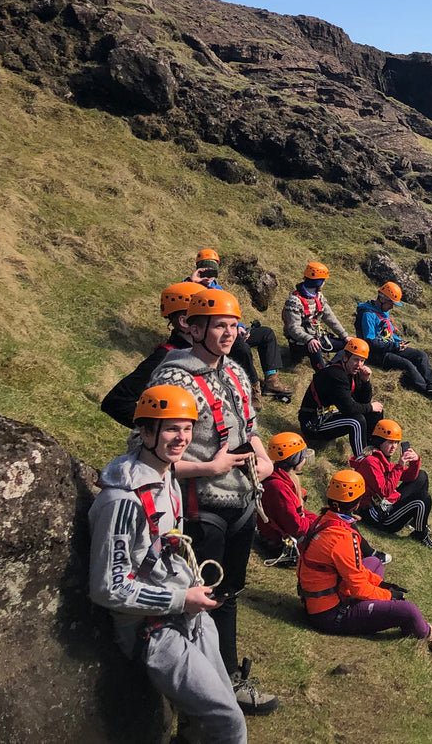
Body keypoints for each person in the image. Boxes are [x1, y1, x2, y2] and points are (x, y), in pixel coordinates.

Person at [88, 384, 247, 744]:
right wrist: (180, 601)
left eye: (187, 428)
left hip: (183, 612)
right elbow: (107, 587)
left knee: (223, 710)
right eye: (171, 429)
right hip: (152, 629)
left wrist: (192, 593)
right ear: (145, 432)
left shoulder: (167, 480)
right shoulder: (123, 501)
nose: (182, 438)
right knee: (229, 722)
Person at [149, 288, 280, 715]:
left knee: (228, 593)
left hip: (241, 500)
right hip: (197, 507)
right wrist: (209, 467)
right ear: (195, 327)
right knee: (197, 600)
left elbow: (249, 425)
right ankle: (200, 691)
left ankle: (224, 679)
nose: (228, 334)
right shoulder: (173, 380)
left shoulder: (237, 373)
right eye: (219, 325)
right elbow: (147, 454)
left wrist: (262, 457)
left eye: (232, 325)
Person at [296, 469, 432, 658]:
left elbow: (356, 570)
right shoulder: (341, 538)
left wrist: (380, 584)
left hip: (322, 598)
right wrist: (388, 595)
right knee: (407, 611)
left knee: (374, 563)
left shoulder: (324, 520)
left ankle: (376, 605)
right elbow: (359, 587)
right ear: (357, 502)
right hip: (330, 614)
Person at [190, 248, 289, 405]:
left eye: (213, 271)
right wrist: (194, 283)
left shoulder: (218, 289)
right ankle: (253, 387)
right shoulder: (189, 287)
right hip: (213, 337)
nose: (208, 276)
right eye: (204, 271)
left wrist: (240, 327)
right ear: (197, 270)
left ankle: (271, 379)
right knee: (242, 349)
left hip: (231, 331)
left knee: (266, 334)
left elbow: (231, 313)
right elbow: (182, 306)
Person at [101, 280, 202, 427]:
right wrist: (158, 430)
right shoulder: (164, 358)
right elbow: (116, 401)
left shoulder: (210, 355)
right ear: (184, 322)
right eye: (207, 318)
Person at [352, 419, 432, 551]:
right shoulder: (371, 462)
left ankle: (417, 523)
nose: (394, 446)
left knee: (421, 476)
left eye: (396, 443)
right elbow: (385, 491)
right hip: (378, 515)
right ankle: (420, 534)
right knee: (423, 499)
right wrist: (399, 465)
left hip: (386, 505)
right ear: (379, 441)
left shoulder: (381, 459)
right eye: (390, 442)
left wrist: (415, 461)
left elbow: (410, 476)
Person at [355, 282, 432, 398]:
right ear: (381, 298)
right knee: (406, 364)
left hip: (390, 346)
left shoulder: (383, 312)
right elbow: (371, 343)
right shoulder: (368, 315)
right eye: (391, 302)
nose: (392, 306)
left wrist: (399, 342)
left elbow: (389, 334)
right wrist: (395, 346)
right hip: (376, 353)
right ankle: (426, 390)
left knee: (420, 355)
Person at [297, 337, 383, 457]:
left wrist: (365, 381)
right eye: (356, 360)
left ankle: (374, 452)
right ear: (345, 357)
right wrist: (369, 407)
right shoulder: (336, 375)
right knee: (356, 421)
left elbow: (363, 401)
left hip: (329, 415)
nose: (359, 364)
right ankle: (362, 462)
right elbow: (350, 409)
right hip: (312, 422)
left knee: (376, 412)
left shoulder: (353, 372)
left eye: (362, 361)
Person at [254, 432, 318, 565]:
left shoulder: (283, 479)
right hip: (280, 544)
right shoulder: (278, 487)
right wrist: (317, 525)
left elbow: (299, 514)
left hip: (288, 536)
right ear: (296, 458)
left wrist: (319, 521)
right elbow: (295, 526)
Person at [282, 261, 349, 370]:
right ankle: (322, 373)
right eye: (323, 281)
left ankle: (330, 367)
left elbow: (330, 318)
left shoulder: (319, 297)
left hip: (317, 337)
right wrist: (309, 339)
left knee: (348, 346)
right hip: (299, 342)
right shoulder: (294, 301)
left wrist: (344, 336)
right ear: (319, 282)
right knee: (316, 347)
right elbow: (293, 328)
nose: (324, 283)